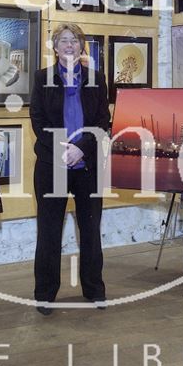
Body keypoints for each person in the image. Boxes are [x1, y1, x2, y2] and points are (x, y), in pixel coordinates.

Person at [29, 23, 110, 315]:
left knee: (90, 231)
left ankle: (95, 290)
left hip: (88, 166)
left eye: (74, 40)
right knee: (49, 232)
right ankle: (45, 295)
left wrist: (81, 149)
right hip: (53, 165)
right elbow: (37, 120)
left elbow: (103, 121)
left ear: (81, 46)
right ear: (54, 47)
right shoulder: (42, 79)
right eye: (63, 40)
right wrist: (64, 150)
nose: (69, 45)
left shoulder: (97, 79)